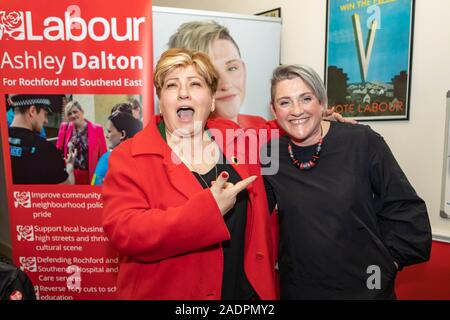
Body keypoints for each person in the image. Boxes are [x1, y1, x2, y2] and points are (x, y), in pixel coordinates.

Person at [102, 48, 277, 300]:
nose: (184, 92)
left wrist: (324, 123)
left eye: (195, 84)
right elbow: (126, 231)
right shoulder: (129, 156)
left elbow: (281, 126)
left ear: (212, 100)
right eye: (172, 85)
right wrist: (208, 211)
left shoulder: (236, 138)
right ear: (161, 99)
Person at [263, 64, 432, 299]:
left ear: (321, 102)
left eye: (306, 98)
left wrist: (389, 263)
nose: (296, 110)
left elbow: (405, 207)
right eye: (285, 102)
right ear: (273, 110)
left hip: (365, 290)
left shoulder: (361, 142)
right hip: (301, 289)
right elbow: (249, 211)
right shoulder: (270, 154)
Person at [168, 21, 267, 129]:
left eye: (232, 68)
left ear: (243, 69)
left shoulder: (260, 125)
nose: (226, 85)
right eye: (211, 73)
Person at [8, 94, 75, 184]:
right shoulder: (47, 150)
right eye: (45, 114)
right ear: (32, 111)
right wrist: (70, 167)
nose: (46, 120)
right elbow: (66, 192)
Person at [56, 101, 107, 185]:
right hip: (70, 174)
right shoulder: (64, 128)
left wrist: (102, 177)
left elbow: (103, 156)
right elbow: (57, 152)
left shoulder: (97, 129)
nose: (73, 115)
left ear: (82, 111)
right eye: (69, 113)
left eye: (75, 112)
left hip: (90, 175)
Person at [91, 110, 142, 186]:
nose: (106, 136)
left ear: (122, 134)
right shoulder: (142, 159)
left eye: (109, 131)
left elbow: (94, 191)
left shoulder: (107, 159)